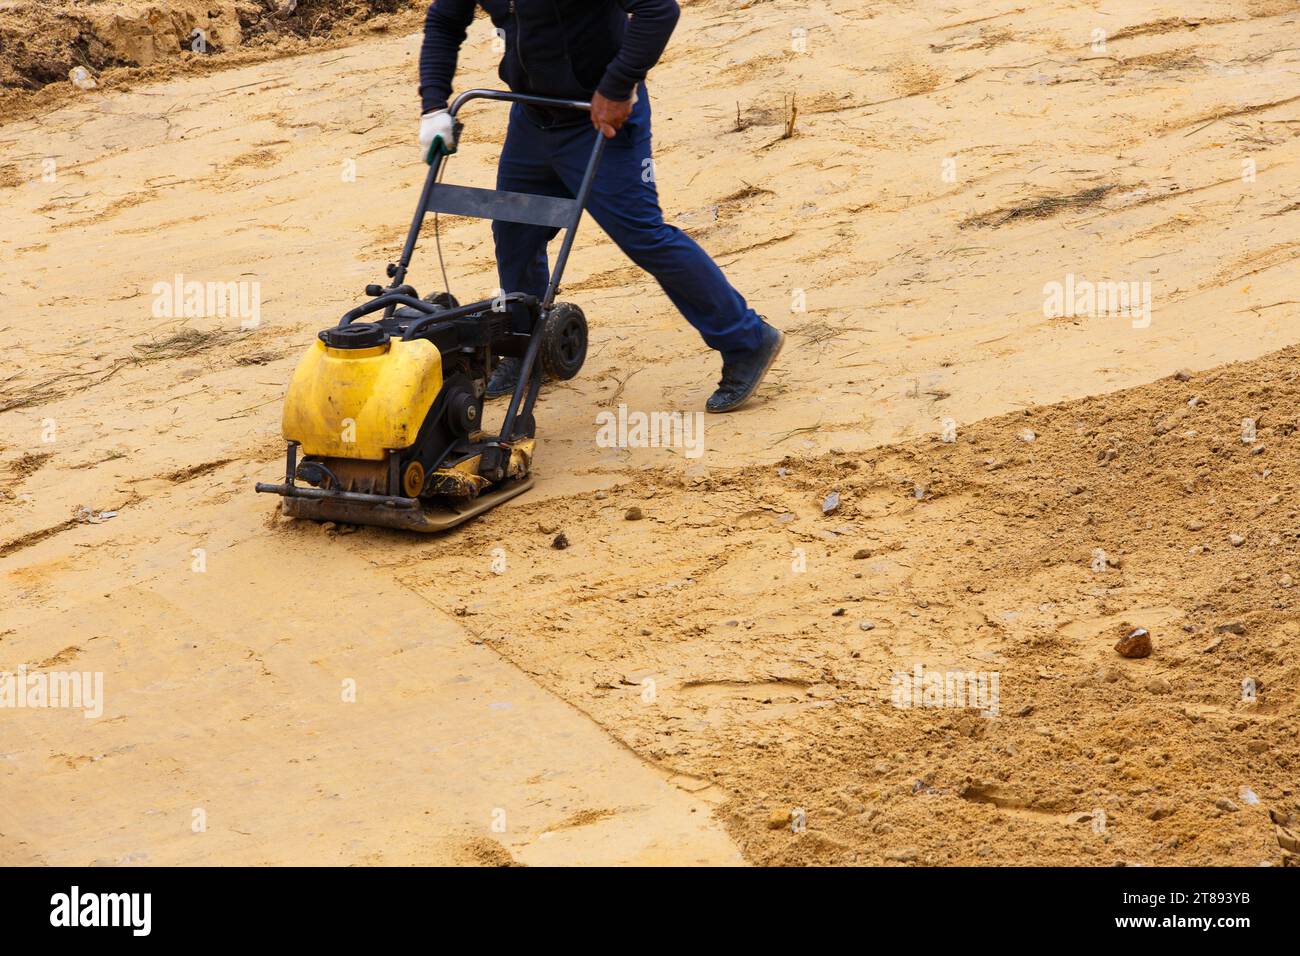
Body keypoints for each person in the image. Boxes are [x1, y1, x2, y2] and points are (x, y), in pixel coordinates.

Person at [416, 0, 783, 413]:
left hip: (600, 117)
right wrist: (433, 106)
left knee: (643, 236)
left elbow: (659, 10)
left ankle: (746, 340)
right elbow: (446, 19)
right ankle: (527, 348)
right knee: (515, 233)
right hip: (533, 117)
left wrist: (617, 85)